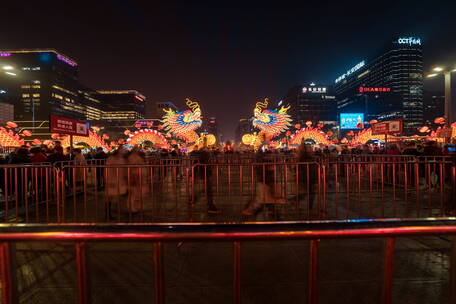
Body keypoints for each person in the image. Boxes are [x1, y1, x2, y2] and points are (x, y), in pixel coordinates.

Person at [105, 146, 128, 220]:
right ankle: (108, 214)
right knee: (110, 198)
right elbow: (107, 170)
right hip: (112, 180)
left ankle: (118, 211)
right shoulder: (111, 159)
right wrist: (108, 180)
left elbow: (124, 170)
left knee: (120, 194)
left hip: (120, 181)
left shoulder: (122, 159)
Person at [127, 147, 148, 213]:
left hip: (139, 176)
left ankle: (136, 206)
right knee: (133, 193)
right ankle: (132, 207)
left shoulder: (136, 156)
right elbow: (132, 167)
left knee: (137, 193)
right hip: (135, 176)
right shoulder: (132, 157)